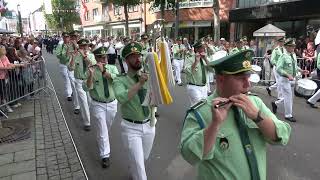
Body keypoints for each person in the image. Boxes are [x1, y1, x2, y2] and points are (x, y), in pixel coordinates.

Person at [180, 49, 291, 180]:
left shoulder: (255, 103)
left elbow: (282, 135)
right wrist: (214, 125)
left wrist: (257, 117)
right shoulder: (200, 112)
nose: (248, 84)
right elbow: (189, 155)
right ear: (221, 80)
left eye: (248, 77)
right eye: (241, 79)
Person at [113, 42, 155, 180]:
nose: (138, 58)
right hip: (131, 128)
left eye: (139, 55)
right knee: (140, 167)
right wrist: (140, 84)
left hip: (150, 125)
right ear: (126, 60)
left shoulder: (148, 76)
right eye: (133, 56)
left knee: (143, 158)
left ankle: (135, 169)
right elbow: (121, 98)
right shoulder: (120, 80)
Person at [85, 46, 119, 168]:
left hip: (112, 103)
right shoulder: (91, 70)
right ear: (96, 58)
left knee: (106, 127)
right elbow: (86, 88)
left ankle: (101, 139)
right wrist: (90, 76)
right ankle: (105, 155)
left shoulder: (113, 68)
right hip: (98, 104)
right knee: (102, 128)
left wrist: (104, 71)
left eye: (105, 57)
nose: (104, 60)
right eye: (101, 58)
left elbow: (116, 80)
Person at [272, 38, 309, 122]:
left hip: (292, 79)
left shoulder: (293, 55)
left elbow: (294, 66)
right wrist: (287, 75)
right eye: (291, 46)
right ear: (287, 47)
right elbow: (278, 68)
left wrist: (301, 70)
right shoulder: (283, 56)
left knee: (289, 96)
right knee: (288, 97)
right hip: (284, 79)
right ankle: (288, 115)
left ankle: (275, 104)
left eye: (294, 46)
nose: (293, 48)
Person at [68, 38, 93, 131]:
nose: (84, 48)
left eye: (85, 46)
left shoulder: (91, 56)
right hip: (79, 81)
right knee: (83, 101)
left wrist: (84, 55)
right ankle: (87, 122)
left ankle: (88, 114)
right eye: (82, 46)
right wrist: (73, 58)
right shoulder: (75, 55)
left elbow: (91, 64)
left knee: (90, 101)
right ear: (79, 47)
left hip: (89, 80)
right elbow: (70, 69)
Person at [55, 32, 80, 114]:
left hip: (73, 65)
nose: (66, 38)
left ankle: (74, 98)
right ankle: (69, 94)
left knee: (72, 81)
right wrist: (66, 54)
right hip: (64, 64)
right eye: (65, 37)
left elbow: (80, 52)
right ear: (63, 37)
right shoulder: (61, 45)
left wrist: (75, 46)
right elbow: (58, 55)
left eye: (68, 37)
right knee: (67, 79)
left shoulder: (74, 44)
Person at [184, 40, 210, 106]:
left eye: (204, 47)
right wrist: (196, 62)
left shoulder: (205, 57)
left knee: (202, 107)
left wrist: (206, 59)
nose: (204, 49)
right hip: (194, 86)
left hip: (204, 87)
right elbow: (187, 71)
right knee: (199, 105)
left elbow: (212, 70)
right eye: (202, 48)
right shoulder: (189, 57)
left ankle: (190, 116)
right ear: (197, 49)